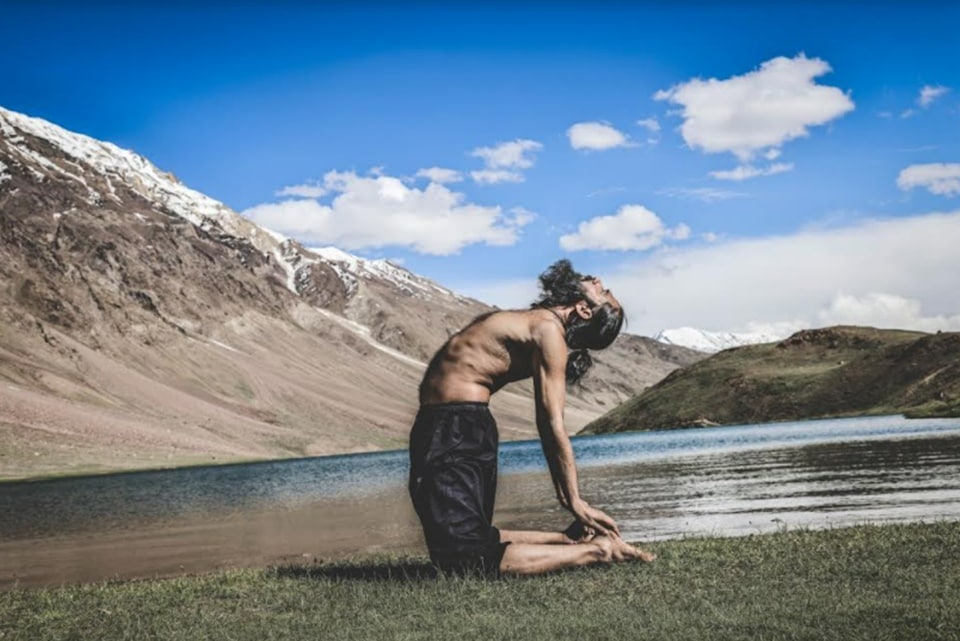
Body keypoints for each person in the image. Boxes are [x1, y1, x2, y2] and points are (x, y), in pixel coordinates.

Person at [409, 259, 656, 576]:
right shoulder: (542, 321)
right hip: (452, 426)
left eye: (603, 291)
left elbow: (552, 424)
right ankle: (567, 540)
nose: (598, 279)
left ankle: (598, 550)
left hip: (456, 427)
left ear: (584, 310)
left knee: (465, 558)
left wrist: (574, 501)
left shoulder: (549, 332)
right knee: (466, 541)